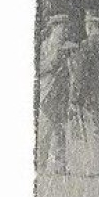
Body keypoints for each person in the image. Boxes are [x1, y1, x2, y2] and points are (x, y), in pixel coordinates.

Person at [67, 13, 99, 176]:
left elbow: (80, 74)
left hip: (91, 96)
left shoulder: (86, 46)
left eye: (88, 26)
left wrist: (75, 97)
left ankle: (96, 167)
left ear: (91, 27)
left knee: (93, 130)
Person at [37, 14, 75, 174]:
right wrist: (54, 61)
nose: (64, 30)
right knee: (45, 129)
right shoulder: (45, 46)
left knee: (60, 130)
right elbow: (38, 68)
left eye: (66, 27)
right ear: (54, 28)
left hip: (62, 91)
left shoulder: (69, 47)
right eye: (61, 27)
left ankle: (60, 165)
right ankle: (41, 163)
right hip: (47, 90)